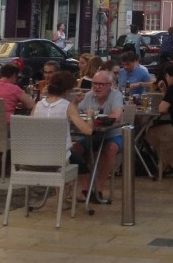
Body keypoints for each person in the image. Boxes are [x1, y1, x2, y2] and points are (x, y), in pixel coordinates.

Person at [34, 70, 95, 203]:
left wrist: (75, 103)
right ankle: (77, 192)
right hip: (58, 160)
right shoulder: (67, 106)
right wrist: (90, 116)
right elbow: (88, 131)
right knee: (77, 158)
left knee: (71, 153)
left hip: (36, 158)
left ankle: (62, 195)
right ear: (68, 90)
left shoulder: (38, 105)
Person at [76, 69, 124, 205]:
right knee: (73, 149)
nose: (97, 87)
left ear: (110, 85)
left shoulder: (116, 95)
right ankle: (86, 188)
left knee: (110, 148)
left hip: (112, 134)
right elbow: (75, 114)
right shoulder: (88, 96)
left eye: (101, 84)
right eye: (94, 84)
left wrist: (94, 118)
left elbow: (116, 115)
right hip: (91, 136)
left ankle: (98, 189)